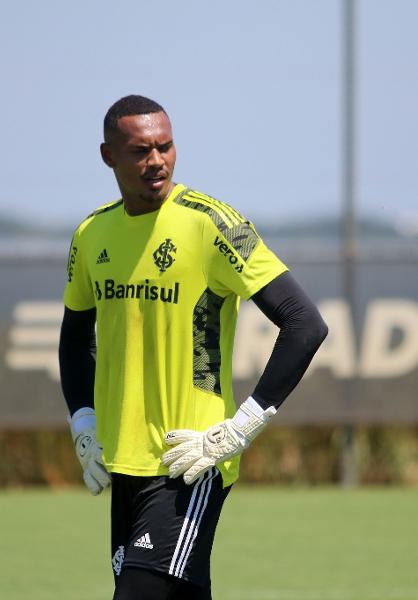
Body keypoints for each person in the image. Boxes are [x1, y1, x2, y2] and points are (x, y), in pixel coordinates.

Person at [59, 94, 328, 600]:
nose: (156, 160)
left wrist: (239, 429)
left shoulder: (216, 224)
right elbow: (74, 339)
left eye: (165, 146)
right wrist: (83, 425)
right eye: (140, 150)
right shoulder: (91, 233)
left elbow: (305, 324)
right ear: (108, 155)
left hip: (191, 460)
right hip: (123, 465)